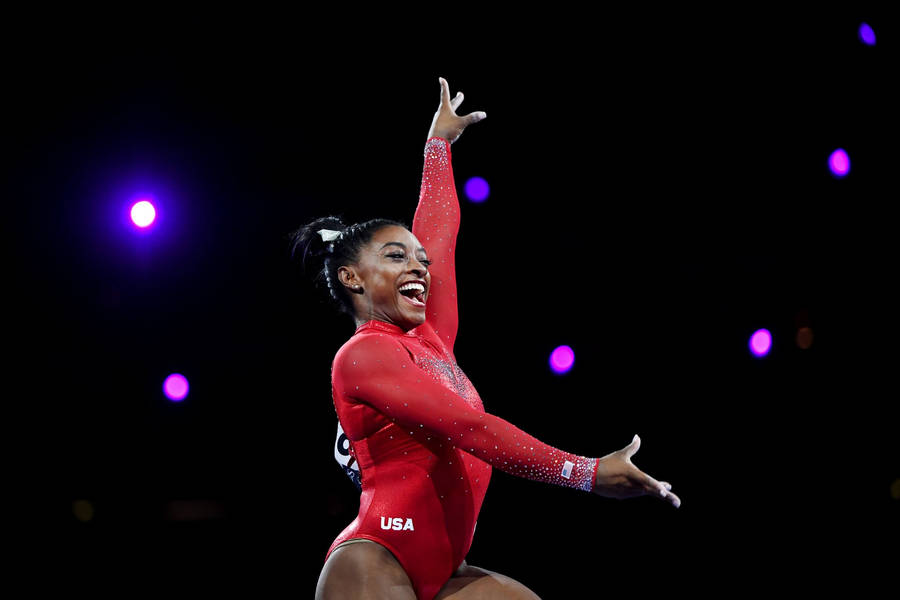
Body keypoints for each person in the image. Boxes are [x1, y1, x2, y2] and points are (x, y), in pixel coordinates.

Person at [289, 77, 681, 600]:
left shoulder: (431, 338)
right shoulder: (361, 356)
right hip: (377, 563)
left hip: (449, 568)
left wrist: (438, 148)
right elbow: (471, 428)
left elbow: (439, 235)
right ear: (351, 278)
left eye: (418, 260)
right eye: (395, 256)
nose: (418, 267)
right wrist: (585, 473)